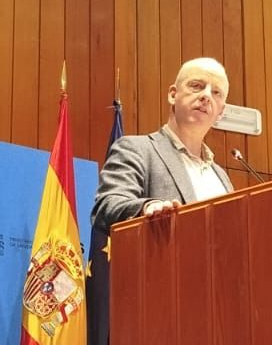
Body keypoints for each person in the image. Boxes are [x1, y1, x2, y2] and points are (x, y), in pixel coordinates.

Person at [91, 57, 234, 231]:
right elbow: (108, 205)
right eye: (197, 86)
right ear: (173, 95)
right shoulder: (136, 150)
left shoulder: (221, 177)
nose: (206, 96)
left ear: (221, 111)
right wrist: (146, 208)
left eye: (216, 92)